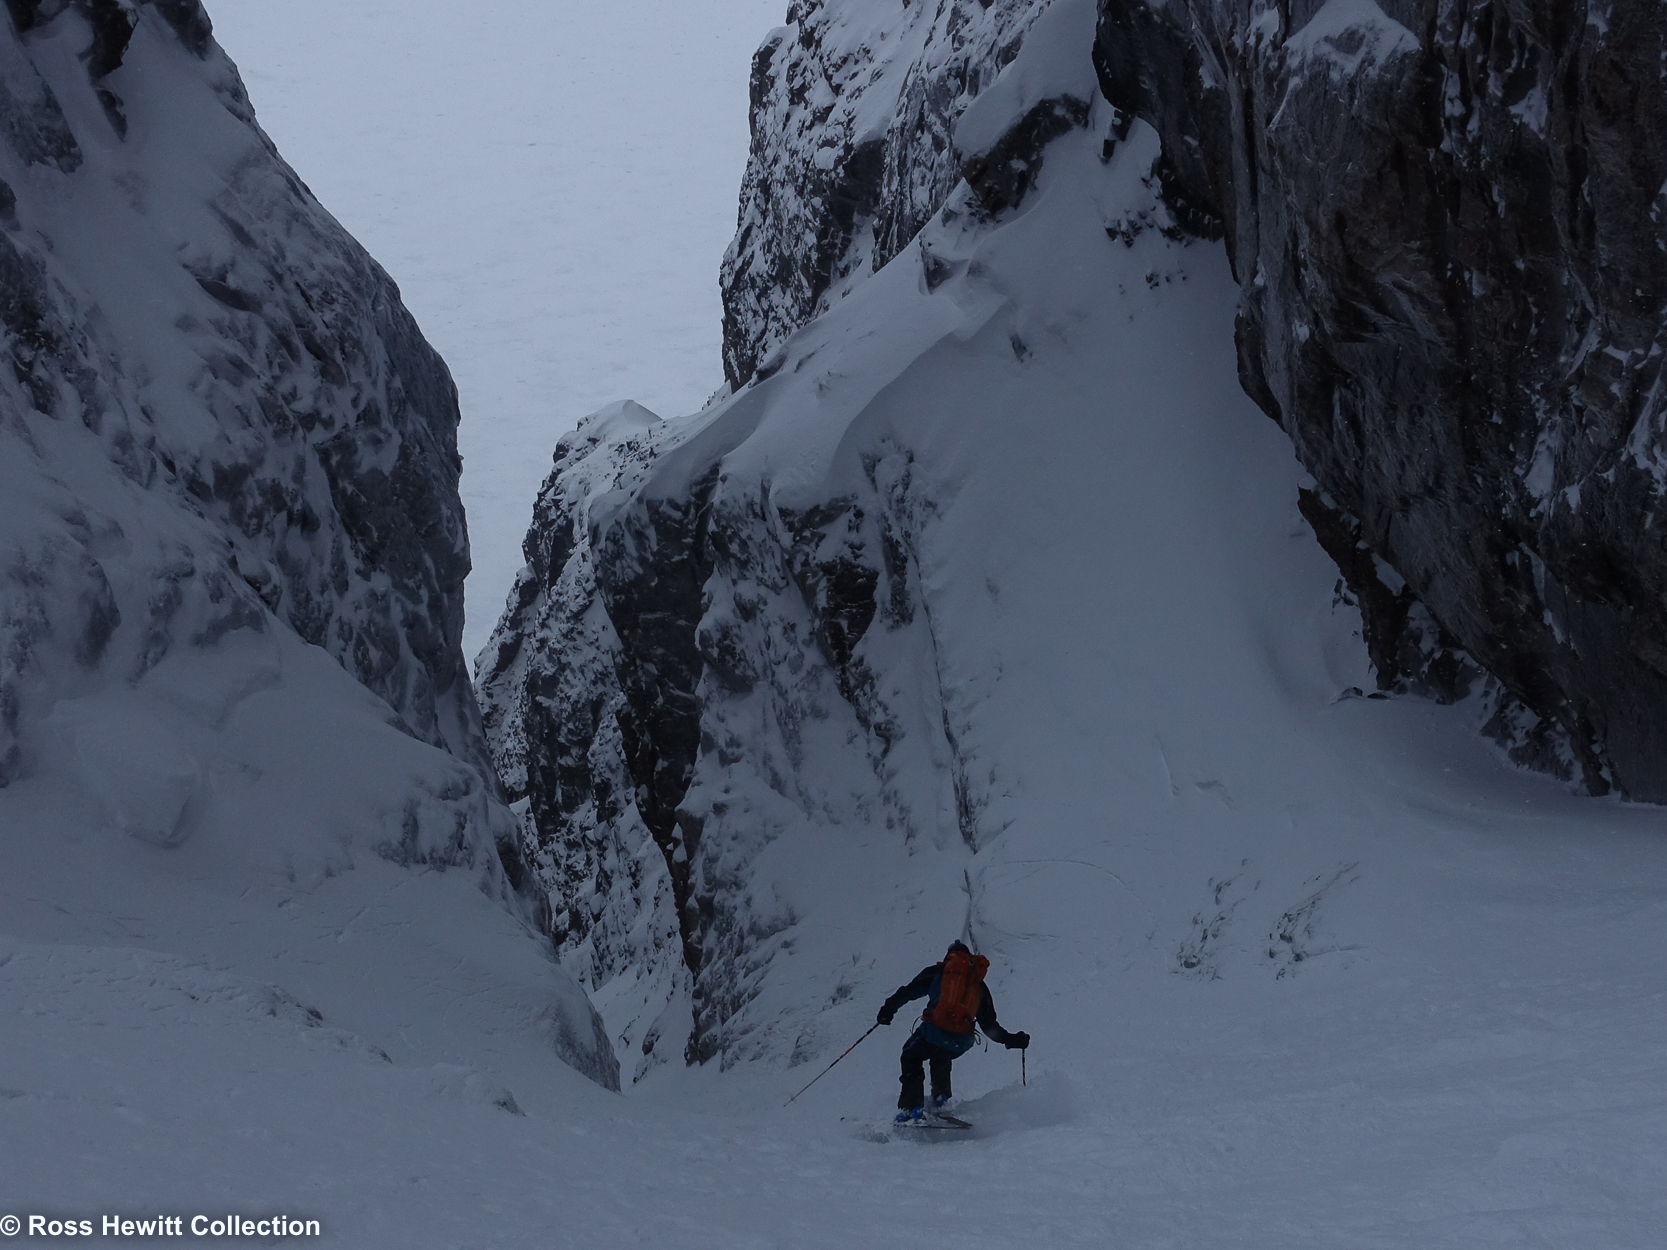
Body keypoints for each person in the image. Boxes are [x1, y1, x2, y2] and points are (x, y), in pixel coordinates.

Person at [876, 940, 1030, 1122]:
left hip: (934, 1033)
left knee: (910, 1055)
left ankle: (912, 1108)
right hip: (960, 1042)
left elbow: (908, 991)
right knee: (941, 1055)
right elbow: (989, 1026)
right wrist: (1011, 1040)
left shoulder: (938, 972)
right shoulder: (977, 984)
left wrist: (887, 1010)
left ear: (948, 957)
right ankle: (941, 1100)